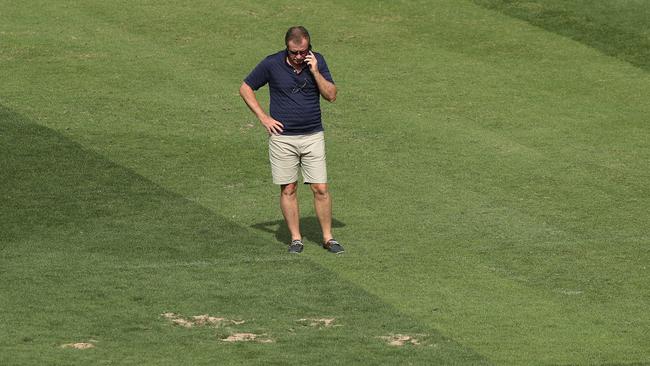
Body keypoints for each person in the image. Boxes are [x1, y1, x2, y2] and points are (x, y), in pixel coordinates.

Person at [239, 26, 344, 254]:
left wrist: (315, 71)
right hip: (282, 139)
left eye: (302, 52)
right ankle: (296, 239)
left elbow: (331, 95)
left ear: (309, 49)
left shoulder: (317, 61)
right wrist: (264, 118)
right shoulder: (271, 63)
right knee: (288, 189)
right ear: (287, 47)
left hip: (312, 135)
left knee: (321, 188)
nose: (298, 57)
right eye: (293, 52)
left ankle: (328, 238)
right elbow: (246, 88)